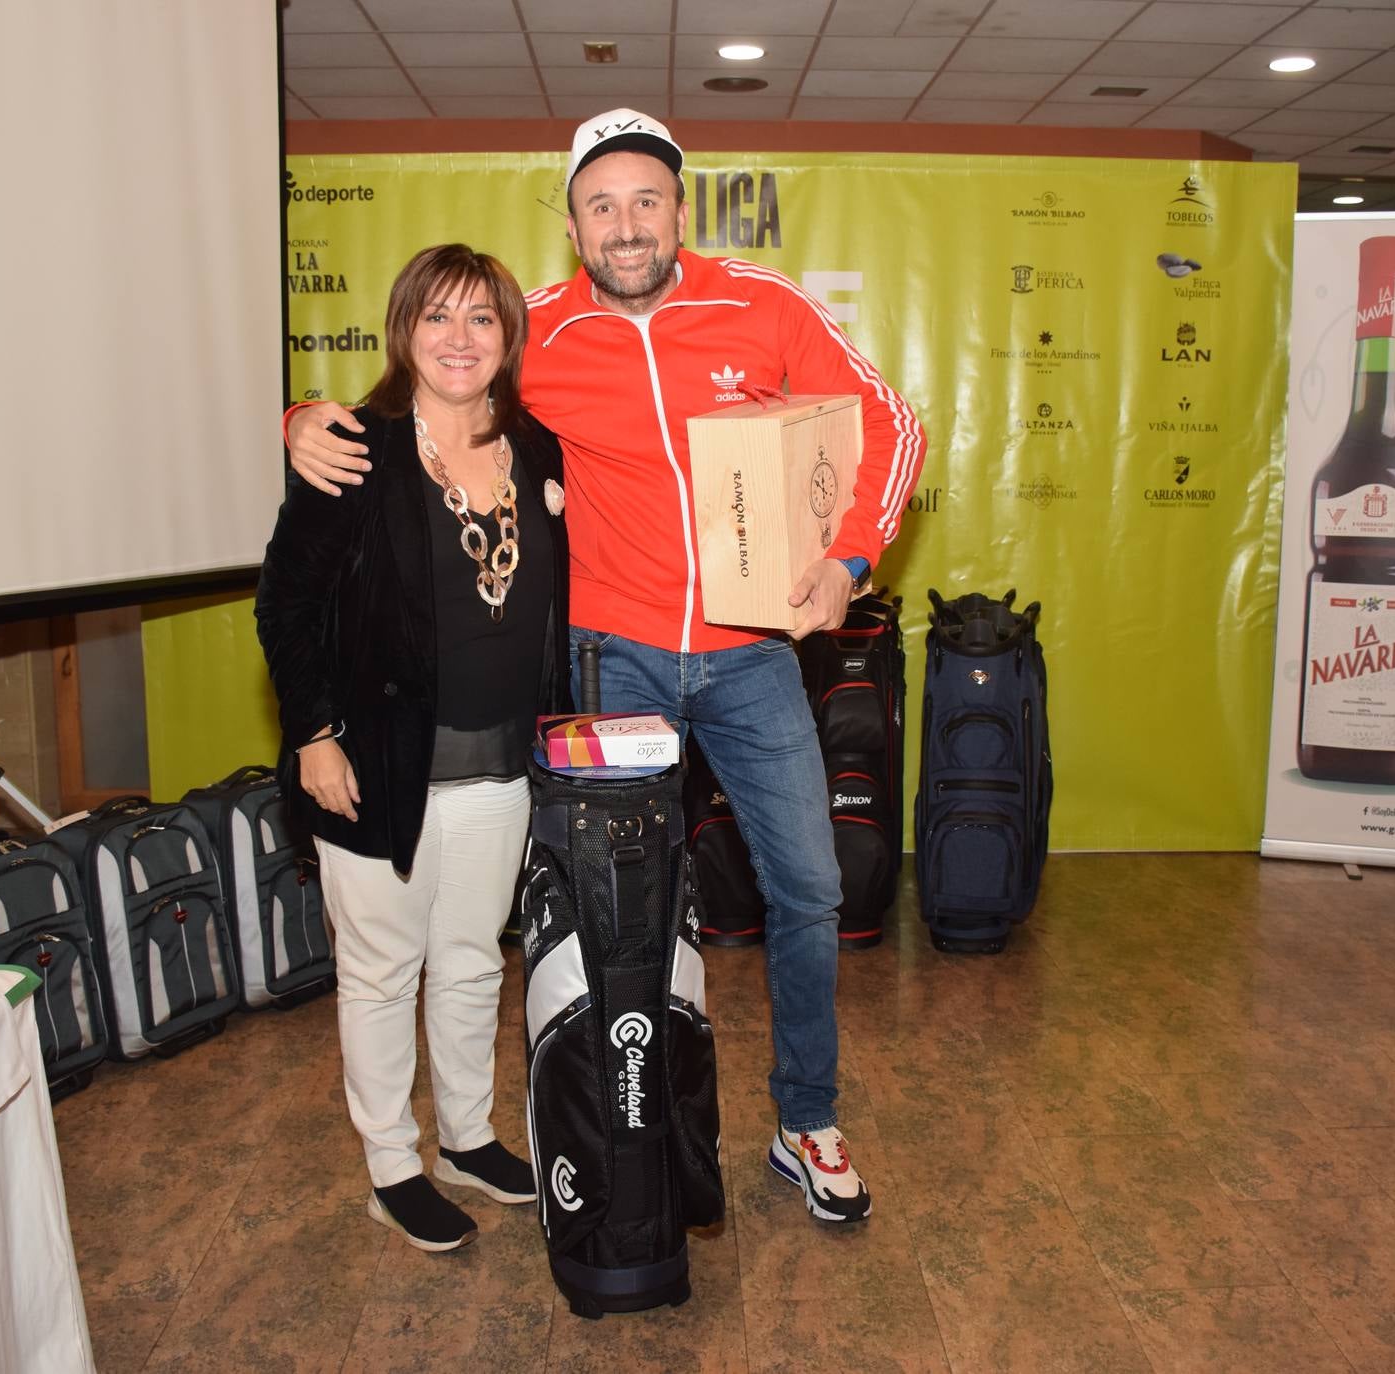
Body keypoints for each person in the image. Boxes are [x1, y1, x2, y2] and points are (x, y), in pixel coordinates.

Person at [285, 111, 924, 1224]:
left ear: (680, 209)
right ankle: (635, 1114)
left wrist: (851, 556)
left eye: (644, 202)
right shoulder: (538, 331)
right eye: (600, 206)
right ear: (572, 220)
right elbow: (422, 400)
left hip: (751, 659)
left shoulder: (759, 304)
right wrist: (299, 419)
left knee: (811, 888)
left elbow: (890, 421)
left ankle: (804, 1120)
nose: (624, 227)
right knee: (620, 907)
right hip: (611, 660)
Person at [257, 243, 571, 1252]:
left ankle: (468, 1139)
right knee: (384, 969)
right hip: (375, 764)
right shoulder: (356, 446)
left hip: (500, 764)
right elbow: (286, 604)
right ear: (404, 330)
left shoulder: (541, 451)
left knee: (474, 958)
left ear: (508, 336)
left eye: (481, 318)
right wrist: (312, 734)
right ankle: (393, 1161)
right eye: (436, 317)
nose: (459, 339)